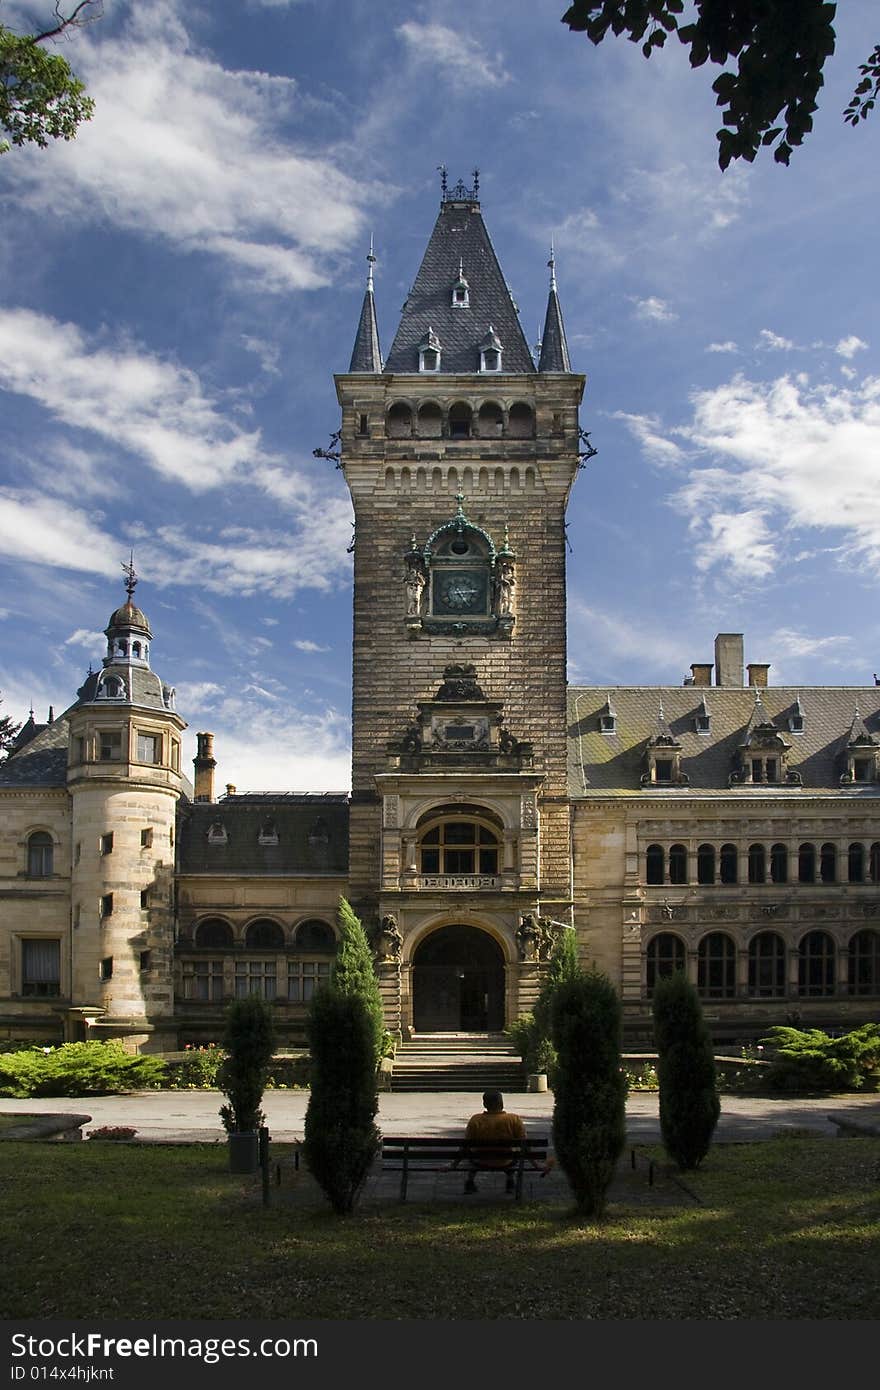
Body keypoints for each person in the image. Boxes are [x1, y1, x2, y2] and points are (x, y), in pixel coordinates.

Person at [459, 1089, 526, 1194]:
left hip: (480, 1160)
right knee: (512, 1154)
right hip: (505, 1160)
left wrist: (453, 1164)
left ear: (484, 1104)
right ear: (502, 1103)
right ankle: (510, 1182)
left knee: (473, 1155)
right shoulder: (514, 1119)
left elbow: (466, 1144)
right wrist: (536, 1165)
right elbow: (524, 1143)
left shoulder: (476, 1120)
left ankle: (470, 1182)